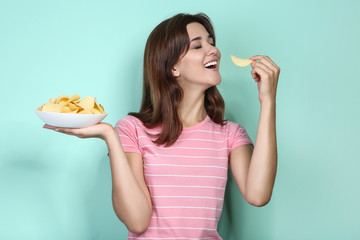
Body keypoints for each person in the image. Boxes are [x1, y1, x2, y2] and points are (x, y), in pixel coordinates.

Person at [44, 13, 280, 240]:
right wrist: (109, 136)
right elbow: (137, 222)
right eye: (198, 46)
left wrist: (268, 100)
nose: (214, 50)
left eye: (211, 42)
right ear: (173, 67)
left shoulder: (230, 134)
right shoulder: (132, 129)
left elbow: (258, 195)